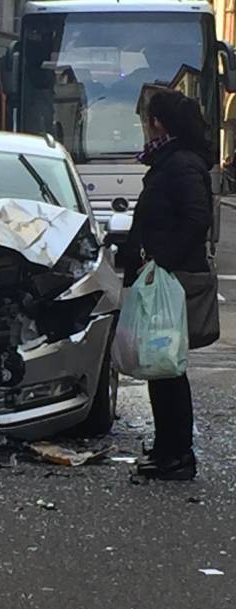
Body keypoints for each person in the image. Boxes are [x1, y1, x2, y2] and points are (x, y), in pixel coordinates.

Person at [124, 89, 213, 481]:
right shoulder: (170, 162)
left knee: (168, 367)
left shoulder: (181, 165)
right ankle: (168, 448)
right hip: (162, 274)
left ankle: (177, 455)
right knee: (162, 368)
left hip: (169, 280)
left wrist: (162, 261)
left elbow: (197, 219)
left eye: (147, 120)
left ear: (158, 123)